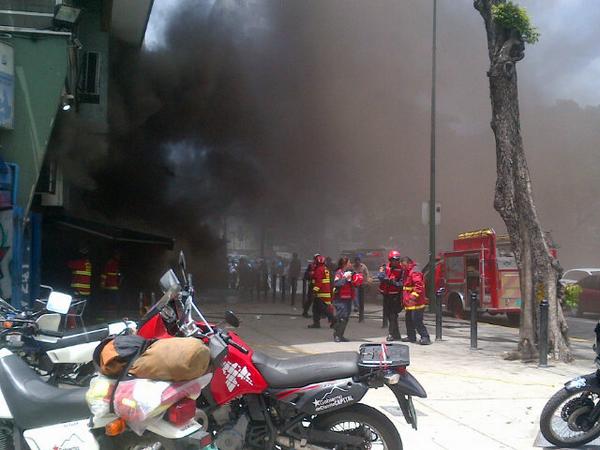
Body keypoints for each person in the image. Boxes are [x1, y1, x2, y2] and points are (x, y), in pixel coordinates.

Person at [400, 256, 431, 345]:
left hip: (416, 302)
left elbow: (419, 286)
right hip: (409, 302)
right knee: (408, 320)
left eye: (404, 265)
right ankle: (411, 337)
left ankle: (425, 337)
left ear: (409, 263)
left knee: (417, 320)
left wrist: (413, 296)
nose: (403, 267)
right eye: (402, 266)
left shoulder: (414, 272)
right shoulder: (407, 271)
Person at [332, 257, 364, 342]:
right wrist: (345, 279)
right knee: (341, 317)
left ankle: (341, 335)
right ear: (344, 264)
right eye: (349, 262)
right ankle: (337, 335)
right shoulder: (339, 273)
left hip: (348, 298)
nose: (350, 264)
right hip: (340, 299)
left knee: (346, 318)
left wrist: (355, 279)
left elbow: (355, 284)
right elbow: (336, 283)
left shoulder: (350, 272)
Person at [377, 250, 404, 341]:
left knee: (393, 315)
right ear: (390, 259)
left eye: (397, 260)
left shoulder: (401, 270)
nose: (395, 261)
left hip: (395, 296)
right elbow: (380, 277)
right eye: (393, 260)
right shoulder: (385, 267)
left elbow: (401, 283)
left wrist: (393, 283)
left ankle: (391, 334)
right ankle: (396, 335)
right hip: (386, 294)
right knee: (389, 315)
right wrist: (384, 277)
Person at [308, 255, 335, 329]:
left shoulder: (319, 270)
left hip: (320, 293)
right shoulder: (325, 269)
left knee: (323, 309)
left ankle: (334, 321)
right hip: (326, 291)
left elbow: (318, 282)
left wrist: (314, 291)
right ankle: (316, 323)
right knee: (316, 308)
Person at [100, 249, 121, 314]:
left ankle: (113, 313)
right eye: (118, 255)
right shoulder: (111, 262)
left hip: (113, 286)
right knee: (111, 301)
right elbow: (105, 273)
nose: (119, 257)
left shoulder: (116, 263)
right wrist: (103, 283)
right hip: (109, 285)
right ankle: (110, 313)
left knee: (113, 301)